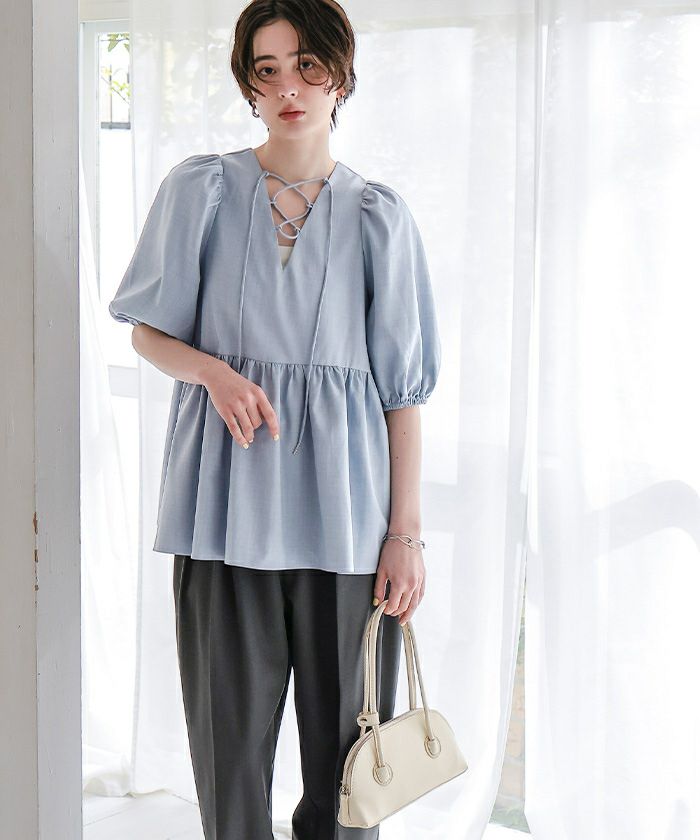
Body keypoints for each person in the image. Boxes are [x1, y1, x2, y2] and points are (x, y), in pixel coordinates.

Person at [108, 1, 441, 837]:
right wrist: (213, 372)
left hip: (348, 527)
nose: (289, 87)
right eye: (268, 70)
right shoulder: (201, 190)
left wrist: (405, 535)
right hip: (223, 514)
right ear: (249, 85)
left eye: (308, 66)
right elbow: (147, 330)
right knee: (229, 763)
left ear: (341, 77)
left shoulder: (379, 216)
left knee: (350, 777)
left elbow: (402, 394)